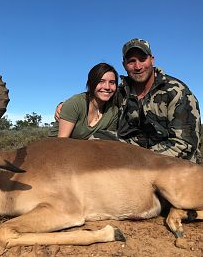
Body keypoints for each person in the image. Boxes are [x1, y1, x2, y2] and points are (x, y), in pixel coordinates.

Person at [55, 38, 201, 163]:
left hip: (167, 158)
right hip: (134, 150)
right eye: (131, 61)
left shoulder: (177, 92)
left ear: (152, 60)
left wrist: (140, 160)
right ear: (124, 64)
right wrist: (64, 104)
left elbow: (185, 145)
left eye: (142, 59)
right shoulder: (121, 91)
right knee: (96, 139)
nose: (137, 66)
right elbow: (97, 94)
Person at [49, 63, 119, 139]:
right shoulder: (76, 103)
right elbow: (62, 141)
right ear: (91, 83)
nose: (107, 87)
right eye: (101, 81)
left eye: (112, 82)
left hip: (85, 148)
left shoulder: (113, 112)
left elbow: (106, 142)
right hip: (56, 148)